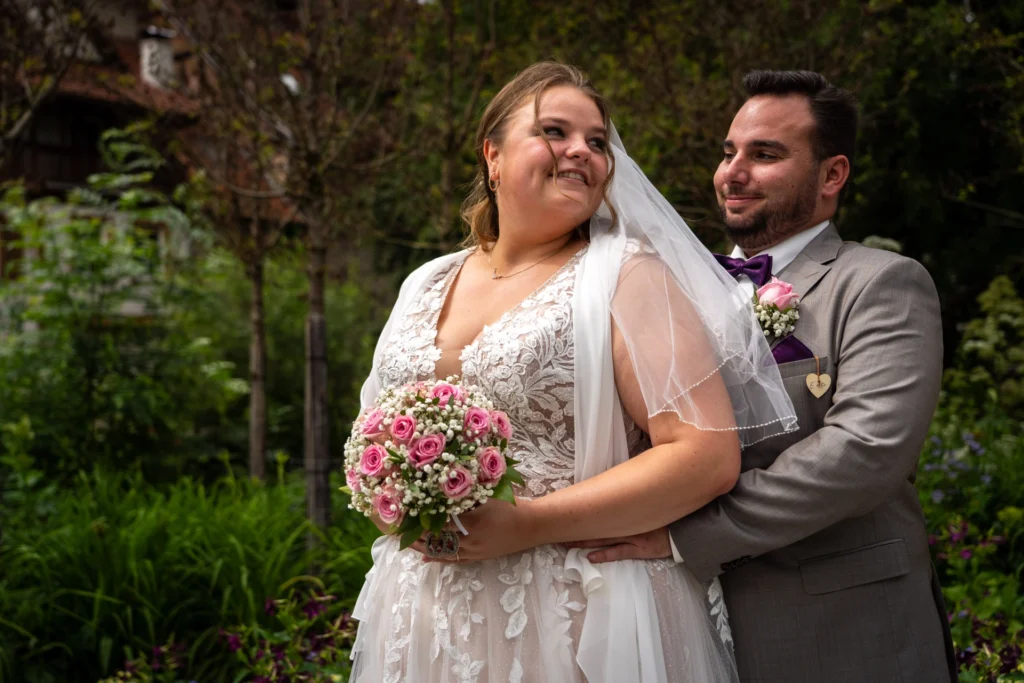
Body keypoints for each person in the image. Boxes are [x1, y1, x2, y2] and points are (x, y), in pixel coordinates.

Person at [349, 61, 797, 683]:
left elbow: (704, 455)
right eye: (555, 131)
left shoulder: (629, 275)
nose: (581, 151)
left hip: (575, 612)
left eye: (597, 141)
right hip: (424, 613)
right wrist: (399, 508)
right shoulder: (424, 281)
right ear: (493, 157)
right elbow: (370, 439)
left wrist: (530, 522)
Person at [567, 70, 958, 682]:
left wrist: (686, 536)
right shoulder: (672, 290)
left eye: (765, 154)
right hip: (687, 630)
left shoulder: (880, 283)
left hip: (843, 634)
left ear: (833, 174)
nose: (733, 172)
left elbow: (867, 451)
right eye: (729, 153)